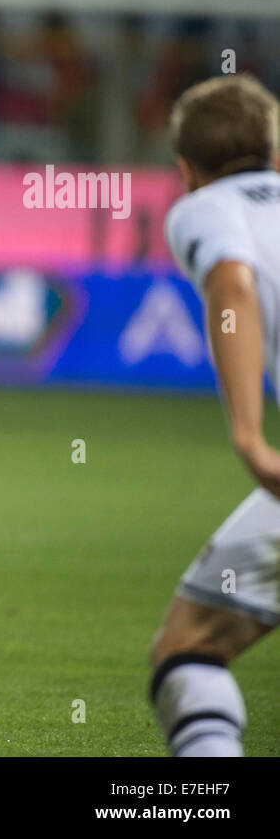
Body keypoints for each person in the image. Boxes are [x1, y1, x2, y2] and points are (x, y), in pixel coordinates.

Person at [154, 73, 280, 756]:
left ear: (185, 168)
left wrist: (250, 438)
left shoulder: (204, 209)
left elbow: (232, 282)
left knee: (188, 649)